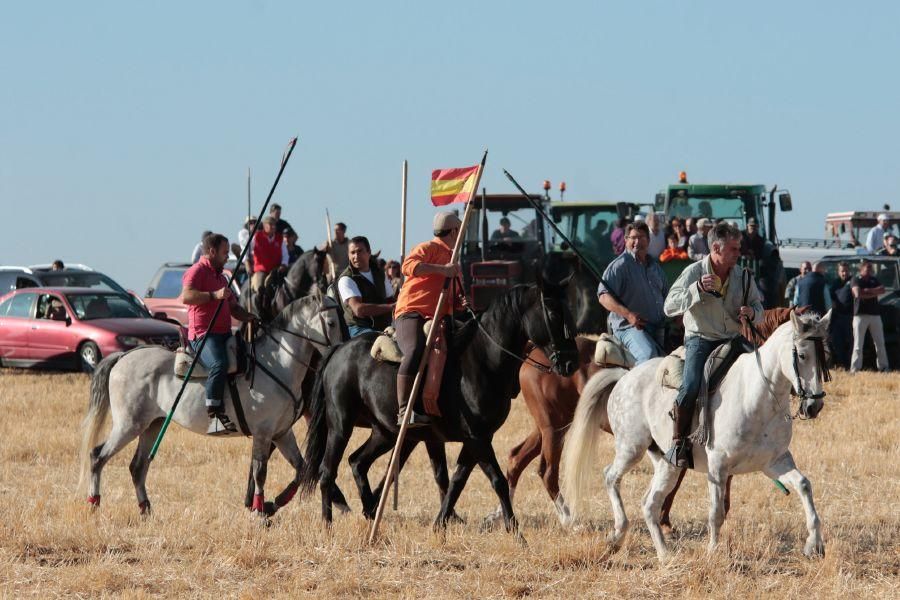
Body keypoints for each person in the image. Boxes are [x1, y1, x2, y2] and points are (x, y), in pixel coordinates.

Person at [663, 222, 764, 468]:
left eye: (738, 248)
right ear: (716, 248)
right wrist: (695, 289)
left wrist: (752, 312)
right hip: (700, 339)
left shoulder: (745, 276)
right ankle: (678, 443)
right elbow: (668, 306)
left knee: (762, 373)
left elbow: (760, 310)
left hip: (732, 340)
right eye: (733, 248)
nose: (738, 253)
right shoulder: (693, 272)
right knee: (690, 385)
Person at [393, 211, 467, 427]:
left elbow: (453, 300)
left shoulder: (455, 263)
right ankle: (403, 409)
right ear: (454, 231)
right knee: (415, 349)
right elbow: (409, 266)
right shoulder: (428, 248)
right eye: (459, 231)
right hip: (411, 311)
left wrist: (460, 303)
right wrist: (443, 270)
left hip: (439, 318)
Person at [182, 233, 257, 434]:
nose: (227, 257)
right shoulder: (196, 272)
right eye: (224, 253)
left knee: (248, 356)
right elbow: (187, 296)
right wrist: (214, 295)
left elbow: (233, 307)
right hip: (203, 335)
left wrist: (249, 317)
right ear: (212, 251)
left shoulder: (222, 276)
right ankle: (214, 414)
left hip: (224, 333)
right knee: (219, 363)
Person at [597, 222, 669, 364]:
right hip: (629, 327)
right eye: (633, 238)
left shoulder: (655, 267)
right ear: (626, 240)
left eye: (641, 237)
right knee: (649, 357)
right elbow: (603, 296)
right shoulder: (619, 266)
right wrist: (629, 315)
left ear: (648, 240)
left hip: (658, 327)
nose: (637, 242)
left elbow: (667, 295)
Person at [337, 236, 395, 337]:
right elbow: (359, 310)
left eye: (360, 251)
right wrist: (391, 307)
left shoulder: (380, 274)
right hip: (359, 329)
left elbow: (391, 300)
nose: (356, 256)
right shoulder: (346, 279)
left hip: (384, 327)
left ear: (369, 252)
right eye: (352, 253)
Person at [850, 260, 888, 372]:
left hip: (875, 315)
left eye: (871, 268)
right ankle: (855, 369)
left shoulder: (874, 280)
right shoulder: (856, 279)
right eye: (868, 268)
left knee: (880, 343)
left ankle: (884, 367)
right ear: (861, 269)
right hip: (860, 316)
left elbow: (882, 290)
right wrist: (873, 293)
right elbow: (858, 294)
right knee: (858, 345)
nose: (870, 270)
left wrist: (867, 291)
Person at [250, 216, 288, 291]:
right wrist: (248, 264)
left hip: (276, 270)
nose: (273, 227)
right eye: (270, 224)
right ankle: (258, 301)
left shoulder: (279, 238)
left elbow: (285, 255)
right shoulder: (257, 237)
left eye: (274, 225)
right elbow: (247, 251)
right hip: (261, 270)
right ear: (264, 226)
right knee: (259, 287)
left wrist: (284, 264)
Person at [828, 261, 854, 369]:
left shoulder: (853, 281)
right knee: (837, 342)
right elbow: (830, 297)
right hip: (837, 317)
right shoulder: (835, 283)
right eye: (842, 271)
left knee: (851, 342)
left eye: (846, 271)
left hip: (851, 317)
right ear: (838, 272)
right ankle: (841, 364)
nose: (845, 273)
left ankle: (849, 365)